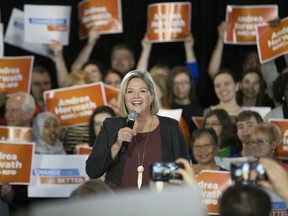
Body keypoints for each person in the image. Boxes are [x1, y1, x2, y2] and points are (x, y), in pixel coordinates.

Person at [86, 70, 189, 190]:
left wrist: (153, 178)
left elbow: (183, 170)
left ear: (151, 95)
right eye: (130, 91)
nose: (136, 96)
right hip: (118, 204)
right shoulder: (111, 126)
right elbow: (92, 171)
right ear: (124, 97)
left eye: (142, 91)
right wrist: (116, 145)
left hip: (156, 203)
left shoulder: (171, 127)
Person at [168, 66, 203, 135]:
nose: (180, 87)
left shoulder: (199, 111)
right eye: (176, 83)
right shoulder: (166, 109)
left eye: (184, 82)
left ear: (191, 84)